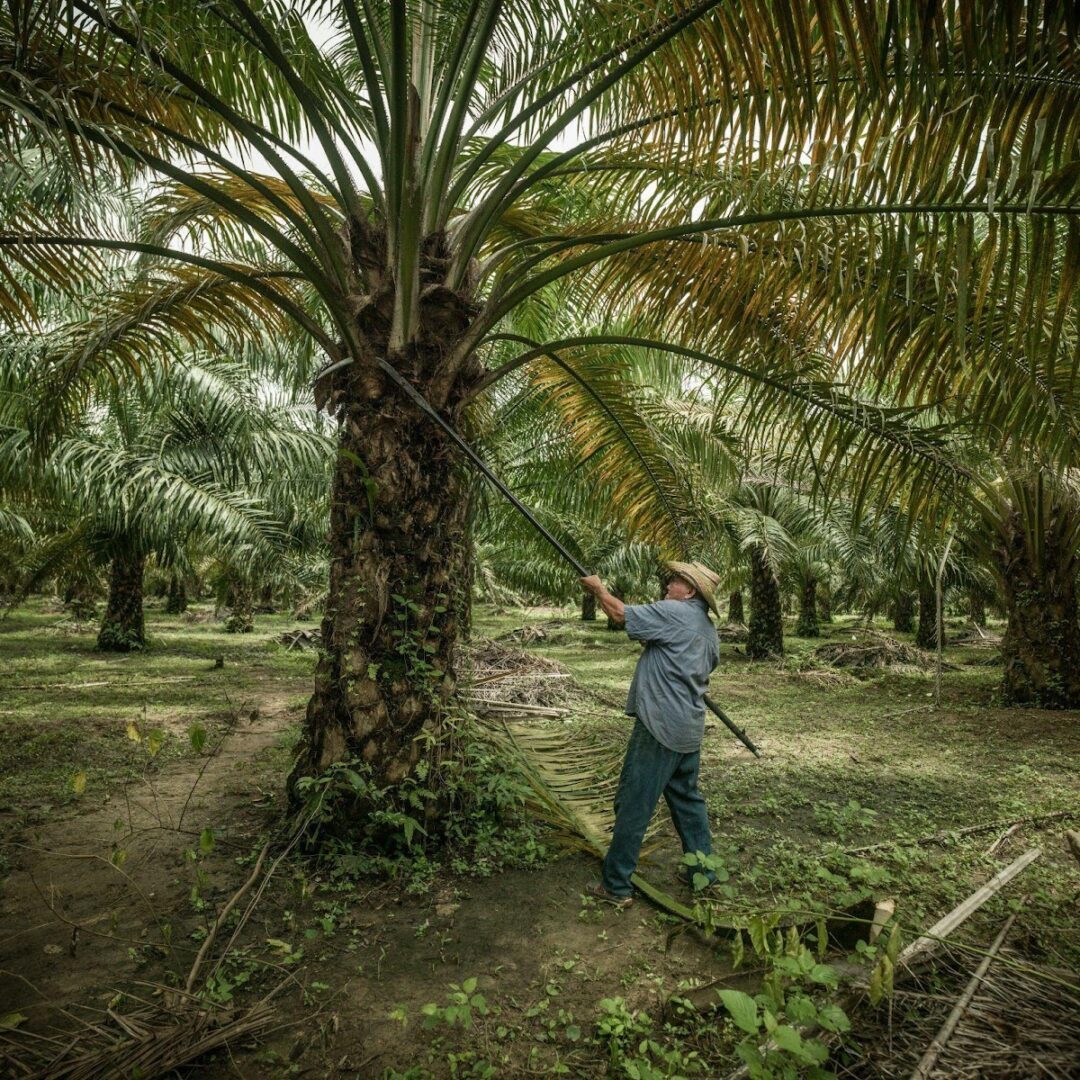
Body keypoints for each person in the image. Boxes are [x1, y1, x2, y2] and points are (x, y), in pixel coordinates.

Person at [579, 562, 722, 907]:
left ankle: (615, 886)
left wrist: (598, 589)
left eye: (674, 582)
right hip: (688, 729)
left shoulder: (674, 612)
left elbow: (620, 614)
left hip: (659, 726)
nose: (668, 586)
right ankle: (703, 875)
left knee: (634, 802)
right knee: (688, 803)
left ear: (689, 591)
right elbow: (649, 634)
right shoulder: (707, 630)